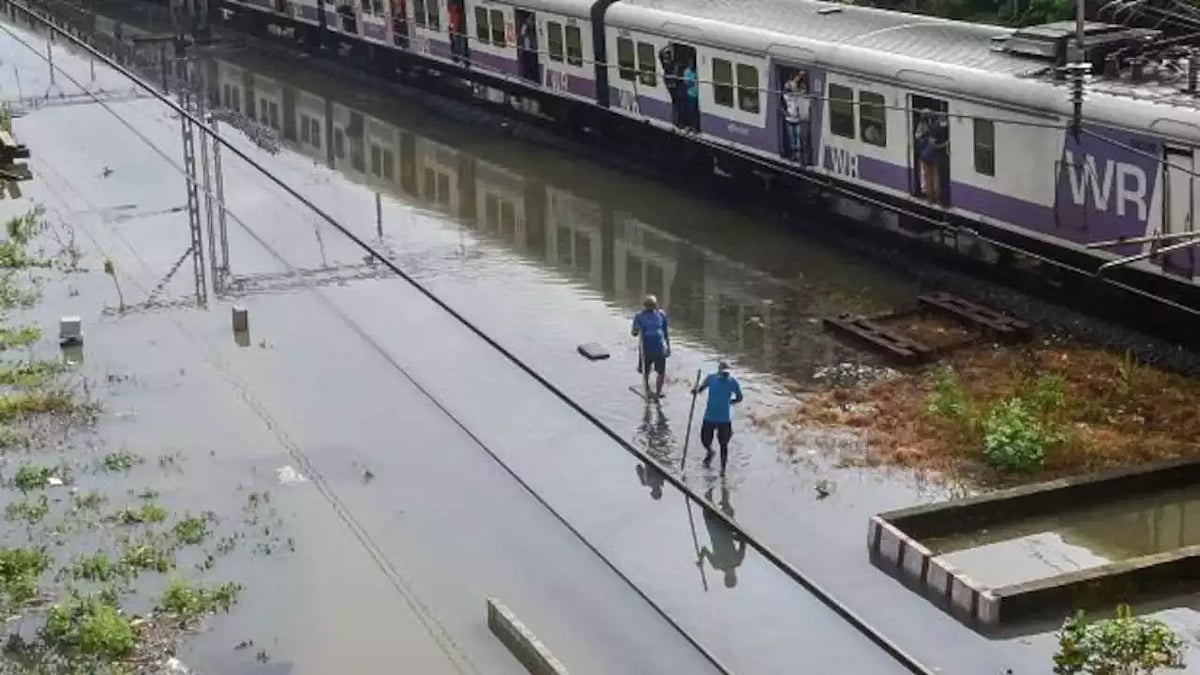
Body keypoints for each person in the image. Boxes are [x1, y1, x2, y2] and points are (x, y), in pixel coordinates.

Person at [692, 361, 743, 475]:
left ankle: (723, 469)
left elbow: (740, 397)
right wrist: (695, 390)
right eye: (724, 372)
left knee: (724, 445)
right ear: (719, 370)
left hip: (724, 419)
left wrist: (732, 401)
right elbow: (701, 389)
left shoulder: (733, 382)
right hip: (709, 416)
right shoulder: (711, 379)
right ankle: (710, 451)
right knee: (705, 440)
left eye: (727, 372)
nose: (726, 374)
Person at [631, 294, 670, 399]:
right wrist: (636, 329)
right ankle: (647, 389)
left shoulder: (661, 315)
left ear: (655, 305)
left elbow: (665, 332)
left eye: (652, 306)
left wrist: (668, 347)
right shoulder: (639, 316)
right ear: (645, 306)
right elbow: (634, 333)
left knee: (661, 372)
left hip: (659, 348)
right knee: (645, 370)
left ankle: (658, 392)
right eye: (648, 306)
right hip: (646, 349)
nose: (650, 308)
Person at [782, 73, 809, 163]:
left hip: (797, 120)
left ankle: (798, 155)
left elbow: (795, 85)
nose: (788, 90)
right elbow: (781, 106)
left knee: (798, 138)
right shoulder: (785, 96)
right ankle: (794, 154)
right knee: (792, 138)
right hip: (789, 120)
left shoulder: (796, 96)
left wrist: (800, 76)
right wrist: (785, 113)